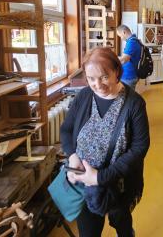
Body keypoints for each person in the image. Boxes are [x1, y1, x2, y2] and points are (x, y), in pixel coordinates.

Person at [60, 47, 150, 237]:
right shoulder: (84, 96)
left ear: (117, 71)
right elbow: (66, 130)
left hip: (118, 181)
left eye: (104, 77)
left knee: (121, 221)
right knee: (88, 231)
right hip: (85, 182)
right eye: (91, 79)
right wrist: (73, 156)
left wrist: (101, 177)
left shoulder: (134, 103)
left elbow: (140, 147)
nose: (97, 84)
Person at [117, 25, 142, 89]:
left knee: (126, 97)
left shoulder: (132, 42)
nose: (121, 38)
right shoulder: (134, 40)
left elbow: (124, 60)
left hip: (129, 76)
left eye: (120, 36)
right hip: (130, 75)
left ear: (124, 32)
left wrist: (112, 60)